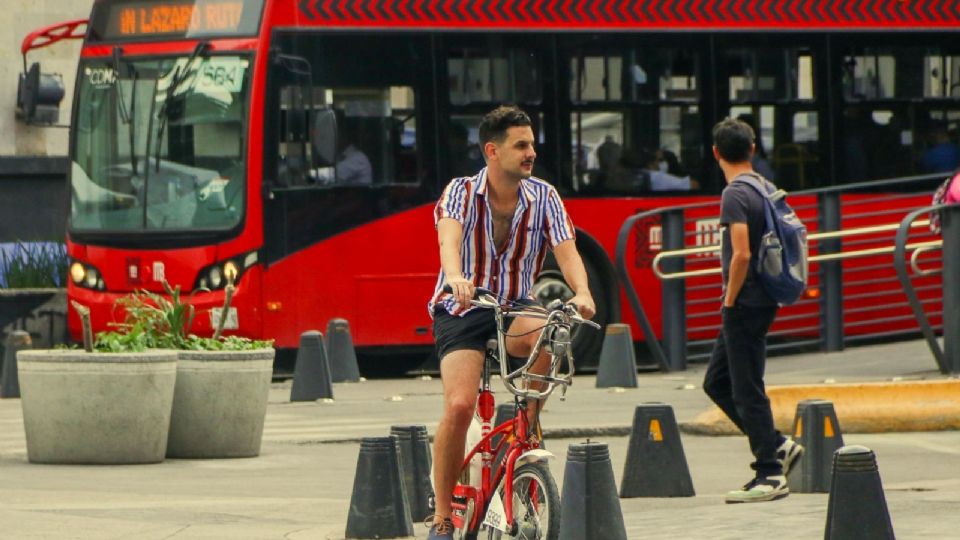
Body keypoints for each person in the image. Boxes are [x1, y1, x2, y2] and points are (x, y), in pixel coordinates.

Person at [425, 105, 596, 538]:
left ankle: (527, 426)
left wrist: (583, 292)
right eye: (520, 145)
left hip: (515, 307)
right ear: (492, 151)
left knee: (551, 328)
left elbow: (567, 250)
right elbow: (450, 239)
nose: (530, 152)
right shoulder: (461, 192)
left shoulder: (545, 197)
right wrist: (457, 277)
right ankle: (443, 515)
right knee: (460, 405)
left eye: (532, 144)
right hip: (463, 307)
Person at [702, 118, 804, 504]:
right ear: (753, 148)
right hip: (763, 299)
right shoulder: (762, 186)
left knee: (747, 388)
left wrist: (729, 299)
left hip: (745, 302)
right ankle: (776, 444)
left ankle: (770, 472)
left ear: (716, 153)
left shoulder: (734, 194)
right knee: (717, 381)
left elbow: (741, 252)